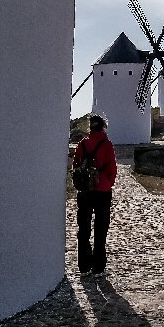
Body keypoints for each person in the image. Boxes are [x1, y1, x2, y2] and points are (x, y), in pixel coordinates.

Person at [73, 113, 117, 276]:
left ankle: (84, 266)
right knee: (100, 229)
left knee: (83, 227)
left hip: (85, 191)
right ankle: (98, 267)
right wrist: (107, 182)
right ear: (103, 126)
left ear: (90, 127)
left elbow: (76, 164)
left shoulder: (82, 143)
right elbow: (112, 168)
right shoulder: (107, 144)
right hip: (102, 191)